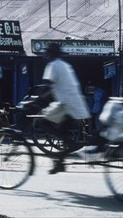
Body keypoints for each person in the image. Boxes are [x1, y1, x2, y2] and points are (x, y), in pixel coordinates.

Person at [40, 42, 90, 174]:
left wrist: (36, 100)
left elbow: (48, 87)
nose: (45, 54)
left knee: (43, 123)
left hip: (66, 103)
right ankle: (61, 162)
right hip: (74, 103)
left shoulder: (52, 65)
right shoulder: (65, 65)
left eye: (47, 52)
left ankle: (72, 146)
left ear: (50, 53)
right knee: (63, 133)